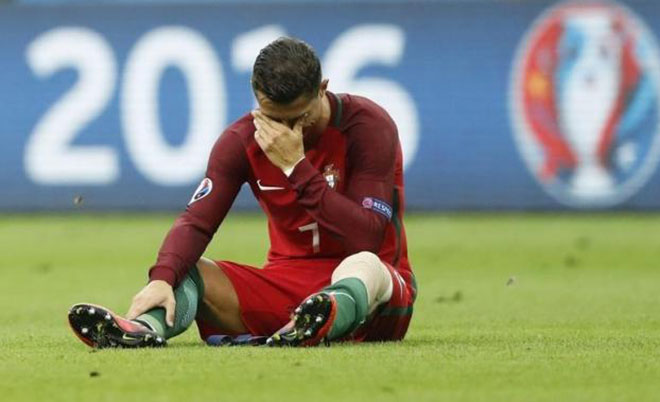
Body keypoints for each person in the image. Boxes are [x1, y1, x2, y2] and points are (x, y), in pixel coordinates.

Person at [68, 37, 416, 348]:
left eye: (299, 117)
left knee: (364, 265)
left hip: (378, 295)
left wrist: (296, 167)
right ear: (257, 100)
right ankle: (141, 329)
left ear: (322, 89)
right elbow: (196, 222)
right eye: (273, 118)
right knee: (187, 269)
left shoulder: (368, 126)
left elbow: (367, 236)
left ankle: (325, 317)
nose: (285, 131)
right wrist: (161, 279)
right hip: (289, 288)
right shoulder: (241, 142)